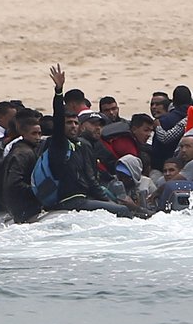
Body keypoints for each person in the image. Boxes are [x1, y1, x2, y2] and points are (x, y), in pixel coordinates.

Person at [46, 64, 133, 217]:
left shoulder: (81, 145)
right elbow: (58, 116)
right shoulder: (59, 143)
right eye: (68, 123)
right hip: (70, 200)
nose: (73, 126)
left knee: (119, 207)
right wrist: (59, 90)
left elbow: (91, 180)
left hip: (84, 197)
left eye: (75, 122)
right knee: (123, 211)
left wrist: (107, 200)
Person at [1, 116, 44, 223]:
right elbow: (14, 182)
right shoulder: (22, 153)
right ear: (23, 134)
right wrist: (37, 191)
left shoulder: (26, 150)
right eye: (33, 134)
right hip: (22, 204)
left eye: (39, 133)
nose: (38, 137)